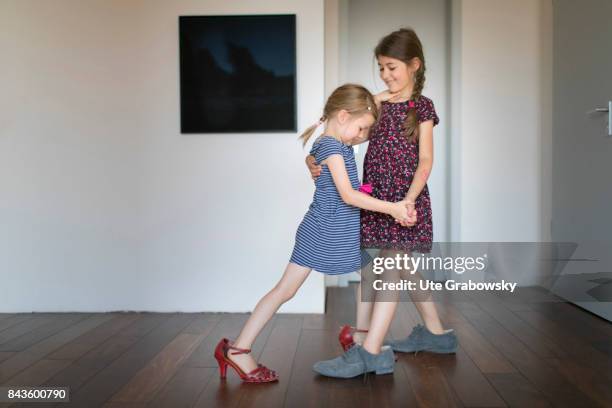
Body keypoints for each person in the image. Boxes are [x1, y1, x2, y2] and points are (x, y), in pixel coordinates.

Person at [214, 84, 416, 383]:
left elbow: (341, 180)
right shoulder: (333, 147)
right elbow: (347, 195)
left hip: (340, 229)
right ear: (344, 116)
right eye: (361, 129)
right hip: (323, 231)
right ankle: (238, 350)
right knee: (286, 290)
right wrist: (393, 208)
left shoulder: (334, 142)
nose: (362, 137)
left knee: (371, 273)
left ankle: (360, 338)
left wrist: (386, 96)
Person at [307, 28, 458, 356]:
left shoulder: (423, 108)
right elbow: (341, 135)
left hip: (405, 200)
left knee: (392, 263)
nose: (385, 74)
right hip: (375, 197)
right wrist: (312, 157)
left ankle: (370, 347)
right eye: (381, 68)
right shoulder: (375, 103)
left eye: (392, 67)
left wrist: (408, 200)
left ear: (414, 65)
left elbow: (426, 160)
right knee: (395, 265)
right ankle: (435, 332)